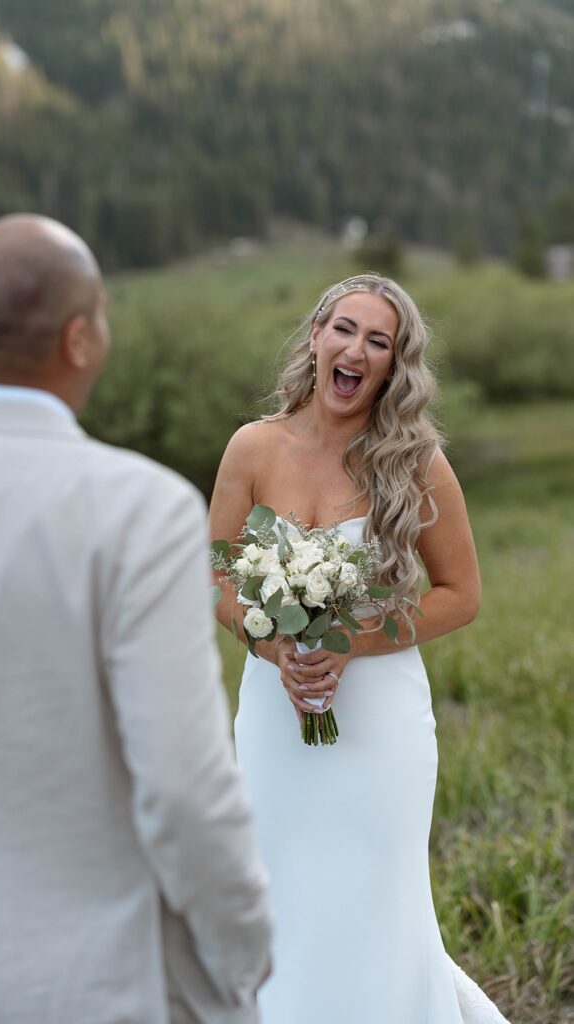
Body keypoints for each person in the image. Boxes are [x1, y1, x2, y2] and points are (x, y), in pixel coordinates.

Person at [0, 214, 272, 1024]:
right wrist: (244, 958)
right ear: (79, 339)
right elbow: (183, 791)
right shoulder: (140, 510)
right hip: (103, 986)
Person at [209, 274, 510, 1024]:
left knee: (376, 896)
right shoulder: (252, 447)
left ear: (392, 364)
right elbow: (216, 578)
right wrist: (278, 651)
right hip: (275, 717)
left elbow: (460, 594)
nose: (356, 350)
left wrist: (351, 643)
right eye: (344, 329)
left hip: (378, 720)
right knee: (278, 888)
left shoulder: (415, 463)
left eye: (378, 341)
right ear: (315, 336)